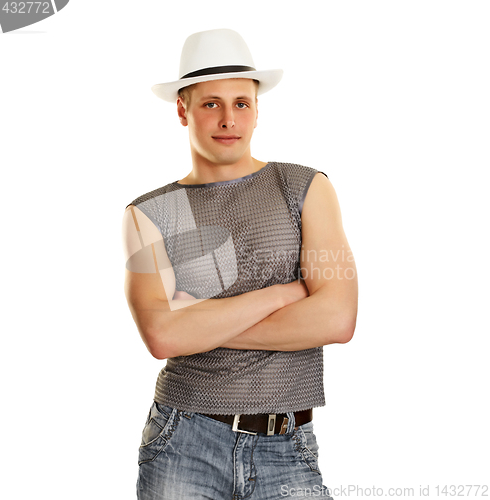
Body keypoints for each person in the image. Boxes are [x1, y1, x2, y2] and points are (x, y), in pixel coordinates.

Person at [121, 28, 358, 500]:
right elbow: (163, 336)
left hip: (288, 447)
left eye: (241, 103)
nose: (228, 119)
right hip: (182, 440)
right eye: (211, 104)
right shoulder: (147, 213)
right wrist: (285, 293)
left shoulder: (305, 188)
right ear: (183, 109)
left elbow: (338, 318)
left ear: (256, 110)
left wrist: (197, 319)